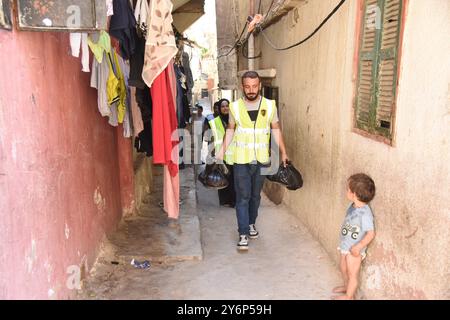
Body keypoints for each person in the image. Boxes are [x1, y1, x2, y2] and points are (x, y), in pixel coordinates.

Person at [216, 71, 289, 251]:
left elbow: (276, 130)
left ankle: (251, 224)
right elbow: (230, 131)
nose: (251, 90)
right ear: (242, 87)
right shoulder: (235, 107)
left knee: (255, 197)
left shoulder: (270, 106)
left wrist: (284, 152)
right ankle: (242, 232)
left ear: (260, 86)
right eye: (247, 87)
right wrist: (220, 153)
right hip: (241, 160)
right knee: (243, 197)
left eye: (254, 86)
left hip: (262, 160)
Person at [332, 173, 376, 300]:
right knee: (343, 268)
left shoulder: (365, 214)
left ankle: (349, 296)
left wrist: (359, 246)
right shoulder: (353, 206)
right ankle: (347, 287)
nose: (346, 191)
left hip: (355, 250)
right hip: (345, 245)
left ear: (354, 194)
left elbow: (371, 233)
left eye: (348, 189)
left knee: (352, 274)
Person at [209, 99, 235, 207]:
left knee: (234, 179)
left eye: (227, 106)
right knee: (222, 177)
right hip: (221, 155)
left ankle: (234, 200)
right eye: (223, 106)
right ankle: (224, 200)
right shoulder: (215, 122)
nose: (225, 108)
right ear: (219, 109)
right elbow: (212, 138)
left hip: (234, 155)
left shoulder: (235, 121)